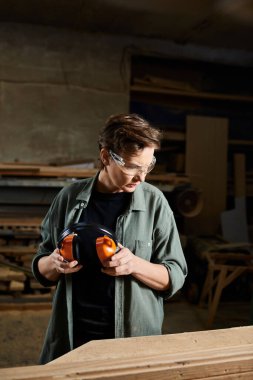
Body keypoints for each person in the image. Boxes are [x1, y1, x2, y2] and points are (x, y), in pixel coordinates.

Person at [32, 113, 187, 364]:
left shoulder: (155, 203)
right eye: (133, 167)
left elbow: (175, 276)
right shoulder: (69, 198)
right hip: (74, 336)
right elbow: (41, 267)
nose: (142, 177)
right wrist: (54, 263)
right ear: (106, 157)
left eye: (148, 166)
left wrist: (134, 265)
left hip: (134, 341)